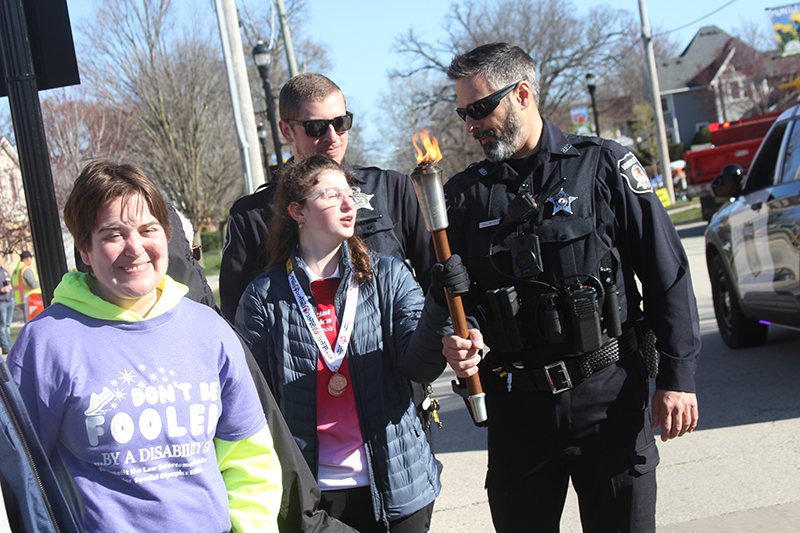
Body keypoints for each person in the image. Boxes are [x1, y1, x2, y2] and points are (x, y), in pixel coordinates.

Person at [411, 43, 701, 532]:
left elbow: (665, 272)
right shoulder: (463, 197)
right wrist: (467, 338)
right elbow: (464, 302)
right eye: (463, 113)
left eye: (480, 108)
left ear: (523, 93)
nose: (470, 124)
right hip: (516, 408)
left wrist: (678, 377)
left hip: (606, 396)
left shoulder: (603, 167)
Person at [6, 160, 282, 532]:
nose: (134, 248)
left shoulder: (209, 331)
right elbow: (20, 475)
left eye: (148, 229)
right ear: (85, 250)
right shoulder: (47, 343)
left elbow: (250, 460)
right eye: (112, 234)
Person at [234, 156, 451, 532]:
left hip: (398, 485)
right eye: (332, 195)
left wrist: (438, 305)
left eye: (350, 193)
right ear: (297, 210)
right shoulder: (264, 297)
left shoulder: (389, 276)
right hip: (316, 498)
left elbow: (420, 366)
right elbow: (253, 404)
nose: (350, 204)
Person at [219, 72, 431, 323]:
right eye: (316, 127)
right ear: (287, 131)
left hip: (395, 356)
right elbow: (238, 319)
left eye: (341, 123)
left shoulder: (393, 188)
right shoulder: (252, 217)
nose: (332, 137)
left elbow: (437, 281)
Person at [12, 250, 39, 322]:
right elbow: (33, 283)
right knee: (31, 320)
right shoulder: (25, 269)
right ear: (28, 259)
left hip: (20, 298)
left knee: (27, 319)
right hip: (28, 298)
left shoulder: (17, 269)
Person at [0, 264, 14, 354]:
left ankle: (10, 345)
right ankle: (6, 347)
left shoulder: (4, 271)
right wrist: (2, 289)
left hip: (9, 301)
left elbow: (9, 282)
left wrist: (11, 296)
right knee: (2, 326)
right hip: (1, 302)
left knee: (8, 325)